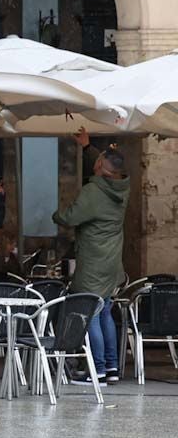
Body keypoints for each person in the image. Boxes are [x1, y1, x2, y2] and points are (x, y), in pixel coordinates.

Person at [53, 127, 129, 385]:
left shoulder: (92, 193)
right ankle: (111, 368)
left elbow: (69, 217)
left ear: (98, 166)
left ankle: (96, 369)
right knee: (105, 311)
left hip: (93, 264)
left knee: (93, 314)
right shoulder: (121, 189)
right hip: (111, 264)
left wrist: (55, 214)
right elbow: (104, 166)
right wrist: (87, 147)